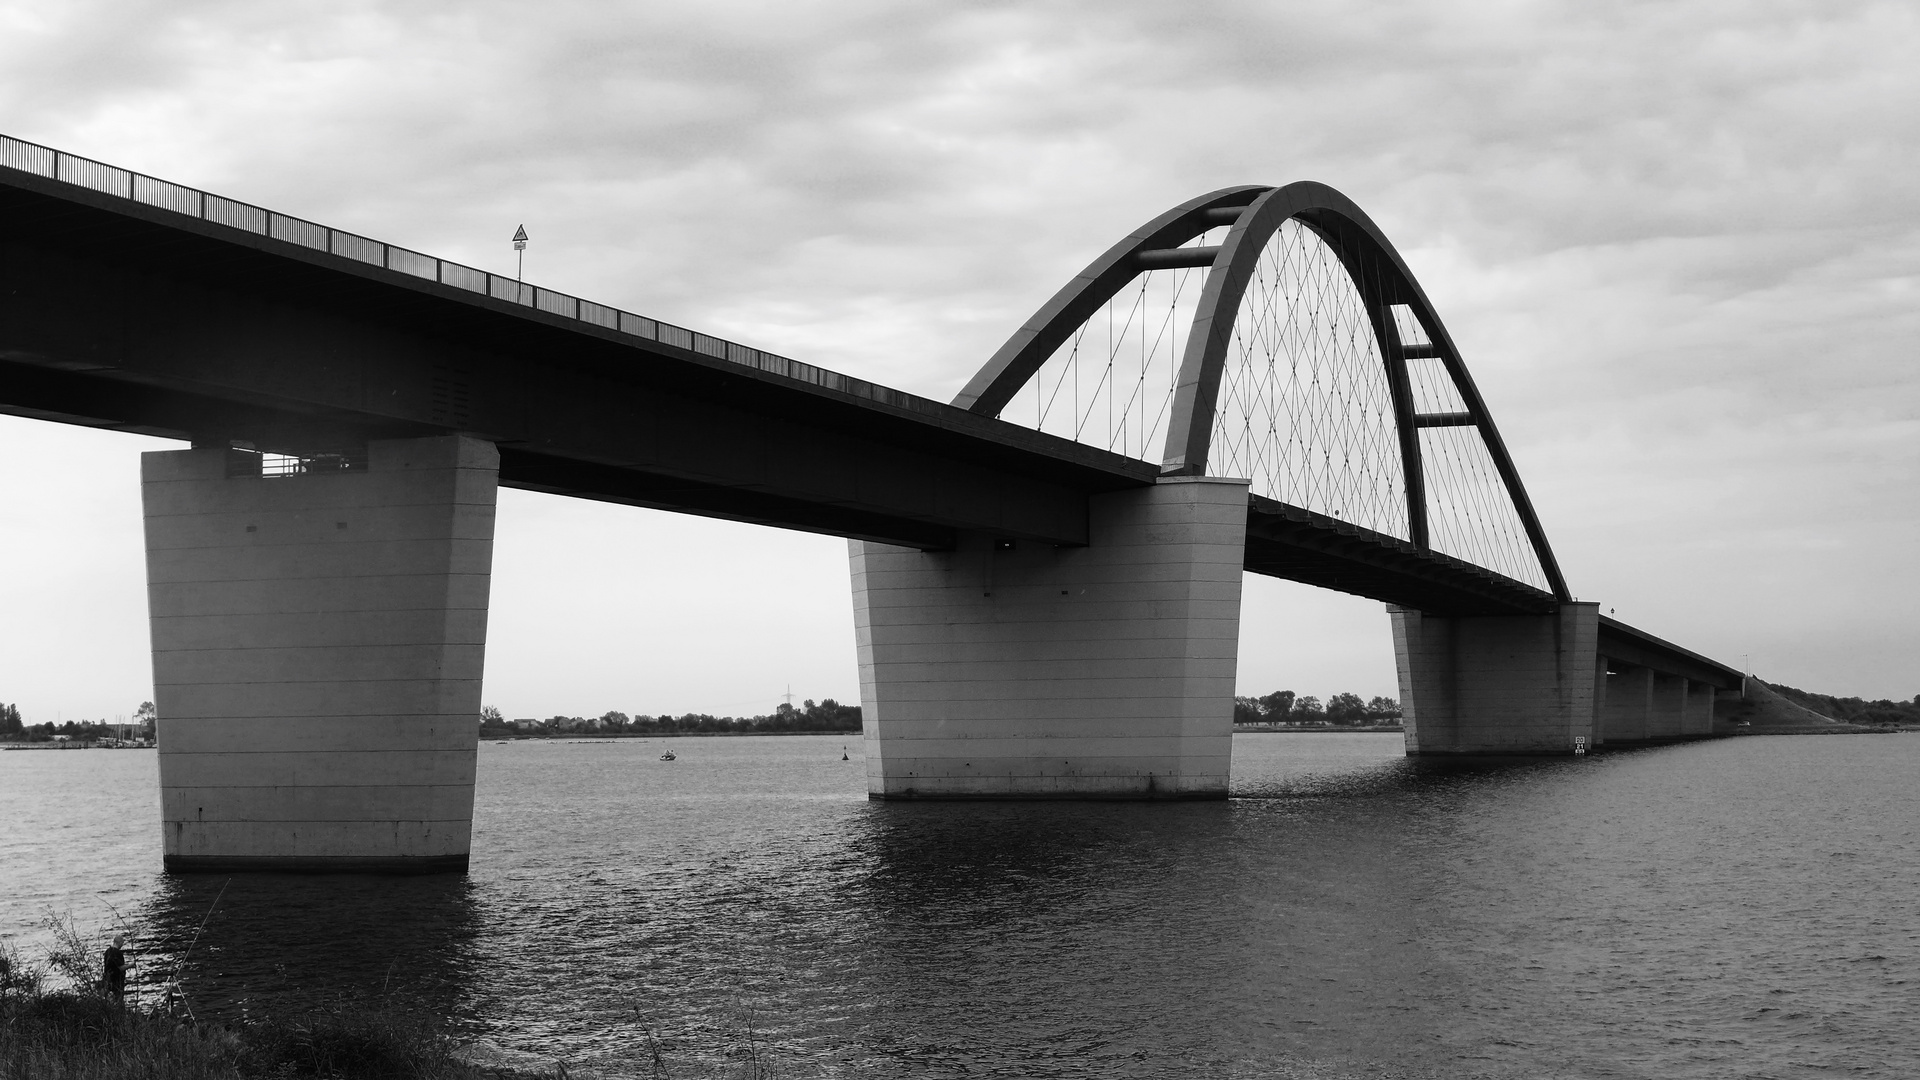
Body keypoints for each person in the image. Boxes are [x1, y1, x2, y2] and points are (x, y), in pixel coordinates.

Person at [103, 936, 126, 1003]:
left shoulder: (108, 952)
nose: (122, 945)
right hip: (117, 983)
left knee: (109, 1001)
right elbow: (121, 968)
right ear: (119, 942)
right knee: (118, 1001)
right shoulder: (118, 953)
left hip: (108, 981)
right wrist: (131, 965)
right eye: (122, 943)